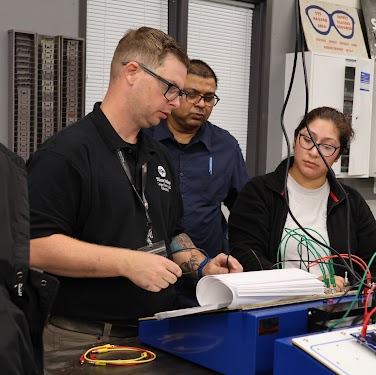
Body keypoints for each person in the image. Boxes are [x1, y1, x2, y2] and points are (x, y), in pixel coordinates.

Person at [26, 27, 242, 351]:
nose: (175, 102)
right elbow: (35, 246)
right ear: (132, 73)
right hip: (84, 338)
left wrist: (203, 265)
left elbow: (172, 233)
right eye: (170, 88)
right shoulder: (66, 154)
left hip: (153, 331)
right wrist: (127, 263)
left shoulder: (157, 155)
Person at [228, 107, 376, 290]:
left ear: (338, 155)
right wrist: (306, 285)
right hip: (274, 305)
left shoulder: (351, 201)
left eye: (327, 147)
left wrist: (352, 287)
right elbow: (246, 255)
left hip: (335, 308)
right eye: (308, 140)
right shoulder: (258, 192)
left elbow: (375, 265)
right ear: (295, 139)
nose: (313, 152)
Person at [146, 59, 249, 256]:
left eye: (209, 97)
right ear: (174, 93)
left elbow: (243, 209)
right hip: (152, 268)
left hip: (209, 269)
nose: (201, 104)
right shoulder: (145, 139)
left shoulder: (226, 146)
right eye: (192, 94)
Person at [1, 142, 58, 374]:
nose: (175, 103)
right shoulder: (60, 154)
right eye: (169, 100)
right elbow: (36, 245)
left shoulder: (7, 165)